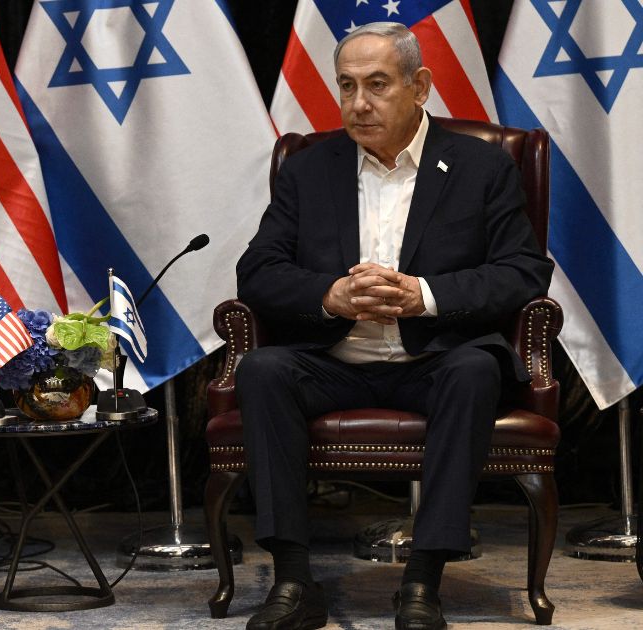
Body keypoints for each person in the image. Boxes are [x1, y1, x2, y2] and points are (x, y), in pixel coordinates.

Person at [233, 22, 553, 630]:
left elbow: (522, 271)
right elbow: (258, 272)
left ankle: (423, 582)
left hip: (434, 359)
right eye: (347, 86)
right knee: (264, 368)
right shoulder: (308, 167)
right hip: (334, 362)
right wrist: (330, 295)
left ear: (420, 86)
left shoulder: (481, 166)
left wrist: (423, 296)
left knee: (475, 368)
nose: (359, 103)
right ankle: (294, 580)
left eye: (377, 85)